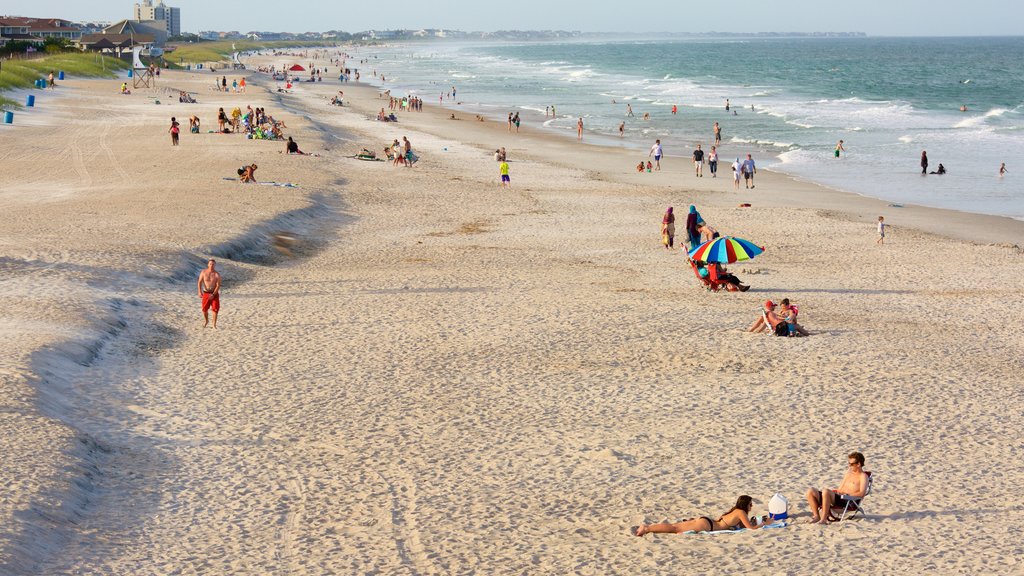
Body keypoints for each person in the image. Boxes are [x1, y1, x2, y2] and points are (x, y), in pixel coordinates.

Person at [634, 495, 768, 536]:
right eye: (750, 504)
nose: (752, 507)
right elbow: (750, 528)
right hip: (707, 525)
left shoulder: (735, 511)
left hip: (707, 522)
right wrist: (763, 524)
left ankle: (647, 527)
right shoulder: (741, 512)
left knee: (675, 526)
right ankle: (647, 528)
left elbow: (739, 524)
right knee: (674, 529)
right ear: (745, 505)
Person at [806, 452, 869, 524]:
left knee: (826, 491)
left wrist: (847, 494)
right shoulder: (849, 474)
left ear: (859, 464)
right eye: (848, 463)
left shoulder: (863, 476)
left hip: (847, 501)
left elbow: (862, 493)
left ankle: (823, 520)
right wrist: (836, 492)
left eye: (851, 464)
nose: (849, 466)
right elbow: (840, 489)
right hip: (838, 497)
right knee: (811, 491)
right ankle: (816, 516)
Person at [197, 259, 222, 329]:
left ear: (215, 265)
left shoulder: (217, 274)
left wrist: (213, 294)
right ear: (208, 264)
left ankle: (214, 324)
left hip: (214, 294)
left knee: (215, 309)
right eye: (210, 264)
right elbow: (199, 282)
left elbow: (218, 285)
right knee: (204, 309)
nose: (211, 265)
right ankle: (206, 321)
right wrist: (199, 291)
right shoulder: (203, 272)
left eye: (213, 264)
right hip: (206, 293)